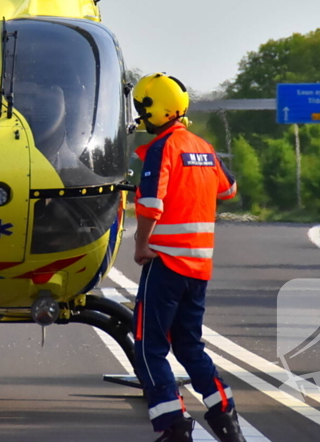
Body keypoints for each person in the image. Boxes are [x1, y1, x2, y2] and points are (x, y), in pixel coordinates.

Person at [130, 73, 244, 442]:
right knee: (189, 345)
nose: (140, 117)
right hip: (198, 266)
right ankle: (225, 418)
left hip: (165, 263)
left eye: (141, 109)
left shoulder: (163, 148)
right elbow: (229, 189)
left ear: (155, 109)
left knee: (148, 348)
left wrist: (141, 245)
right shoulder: (203, 146)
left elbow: (150, 203)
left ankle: (174, 426)